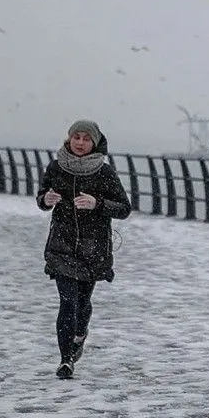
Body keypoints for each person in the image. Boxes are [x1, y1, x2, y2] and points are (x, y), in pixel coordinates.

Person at [36, 119, 132, 380]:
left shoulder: (104, 173)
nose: (80, 143)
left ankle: (80, 333)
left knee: (82, 302)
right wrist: (45, 199)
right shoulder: (57, 167)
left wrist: (97, 203)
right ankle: (65, 360)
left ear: (95, 143)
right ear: (69, 139)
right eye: (76, 137)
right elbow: (41, 197)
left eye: (86, 139)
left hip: (93, 248)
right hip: (62, 246)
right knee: (67, 301)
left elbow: (124, 208)